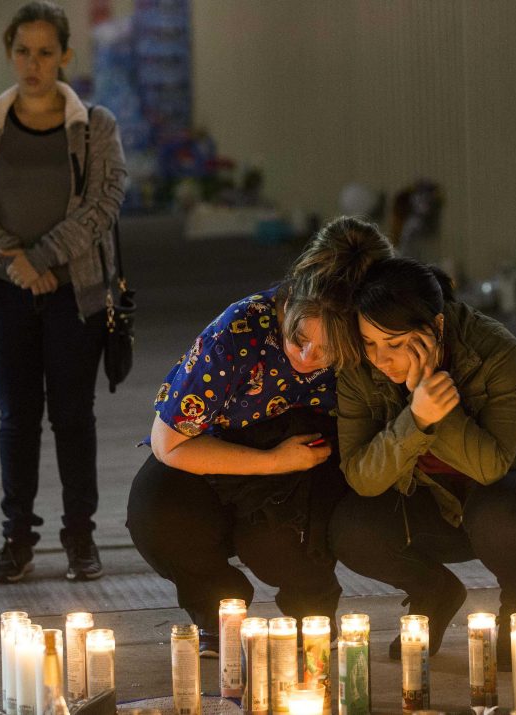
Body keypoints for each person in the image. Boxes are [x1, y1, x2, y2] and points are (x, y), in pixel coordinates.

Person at [126, 217, 392, 656]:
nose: (307, 358)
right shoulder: (239, 329)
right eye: (299, 337)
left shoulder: (373, 333)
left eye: (329, 351)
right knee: (158, 512)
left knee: (278, 541)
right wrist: (272, 461)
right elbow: (168, 443)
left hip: (305, 458)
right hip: (214, 450)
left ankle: (313, 612)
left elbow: (475, 340)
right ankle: (217, 609)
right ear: (291, 298)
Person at [0, 1, 126, 583]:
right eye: (23, 51)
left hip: (74, 292)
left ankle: (80, 537)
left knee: (74, 415)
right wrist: (15, 262)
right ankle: (17, 538)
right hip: (2, 295)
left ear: (66, 57)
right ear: (9, 54)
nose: (33, 63)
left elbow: (104, 204)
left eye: (46, 52)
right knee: (16, 418)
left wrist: (43, 258)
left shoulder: (96, 126)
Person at [327, 256, 516, 670]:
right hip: (431, 502)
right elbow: (361, 475)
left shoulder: (491, 349)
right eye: (369, 342)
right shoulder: (359, 368)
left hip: (513, 497)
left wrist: (433, 404)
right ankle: (433, 592)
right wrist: (415, 418)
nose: (380, 359)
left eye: (394, 343)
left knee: (503, 518)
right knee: (352, 530)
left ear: (436, 328)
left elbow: (491, 466)